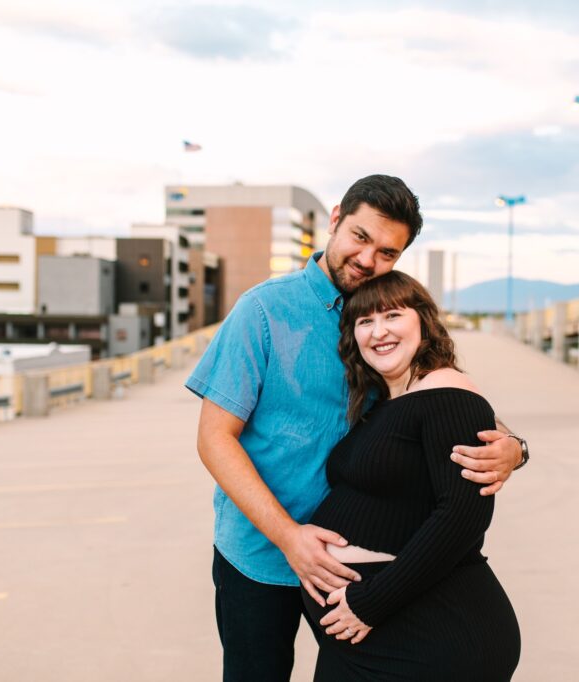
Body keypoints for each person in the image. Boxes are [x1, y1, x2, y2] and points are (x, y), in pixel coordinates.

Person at [187, 175, 528, 682]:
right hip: (260, 555)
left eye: (387, 252)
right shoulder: (263, 310)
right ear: (335, 219)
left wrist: (515, 448)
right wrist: (289, 538)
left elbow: (444, 396)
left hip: (360, 575)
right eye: (360, 238)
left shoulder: (381, 318)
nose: (368, 260)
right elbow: (215, 439)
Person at [302, 270, 520, 680]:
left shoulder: (447, 391)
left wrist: (372, 602)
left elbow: (463, 517)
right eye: (365, 321)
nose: (378, 331)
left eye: (392, 316)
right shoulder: (386, 402)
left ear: (423, 321)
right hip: (369, 635)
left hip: (427, 633)